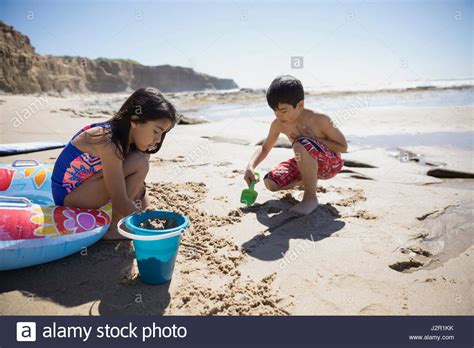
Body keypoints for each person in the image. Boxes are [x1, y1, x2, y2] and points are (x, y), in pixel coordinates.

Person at [51, 87, 178, 239]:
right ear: (135, 121)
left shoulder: (129, 142)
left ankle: (119, 221)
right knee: (139, 162)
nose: (158, 140)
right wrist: (147, 227)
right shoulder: (108, 140)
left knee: (141, 161)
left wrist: (147, 210)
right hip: (69, 197)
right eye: (156, 131)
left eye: (163, 133)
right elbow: (119, 199)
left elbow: (139, 187)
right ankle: (113, 228)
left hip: (88, 187)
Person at [245, 75, 348, 216]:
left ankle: (310, 198)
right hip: (306, 162)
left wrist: (314, 139)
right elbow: (264, 148)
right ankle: (307, 179)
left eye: (283, 111)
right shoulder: (278, 124)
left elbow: (342, 147)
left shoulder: (320, 119)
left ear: (300, 105)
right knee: (270, 182)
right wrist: (251, 166)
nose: (278, 116)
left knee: (300, 144)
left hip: (330, 164)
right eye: (274, 110)